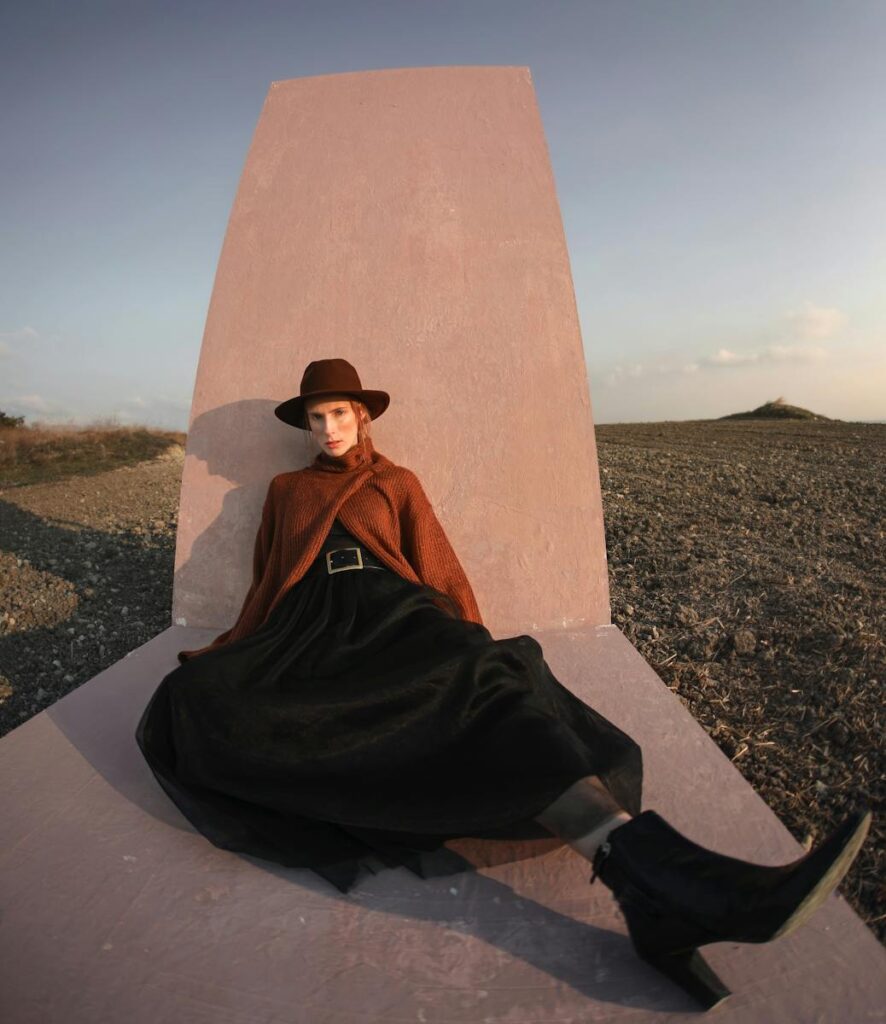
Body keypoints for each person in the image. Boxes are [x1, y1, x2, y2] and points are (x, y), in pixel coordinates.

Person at [136, 358, 870, 1011]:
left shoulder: (396, 481)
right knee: (196, 700)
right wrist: (241, 646)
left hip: (395, 608)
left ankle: (677, 885)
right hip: (312, 622)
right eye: (316, 417)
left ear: (362, 418)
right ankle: (679, 897)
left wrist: (466, 635)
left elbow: (436, 565)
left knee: (484, 678)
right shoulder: (285, 489)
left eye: (339, 413)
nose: (327, 427)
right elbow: (271, 580)